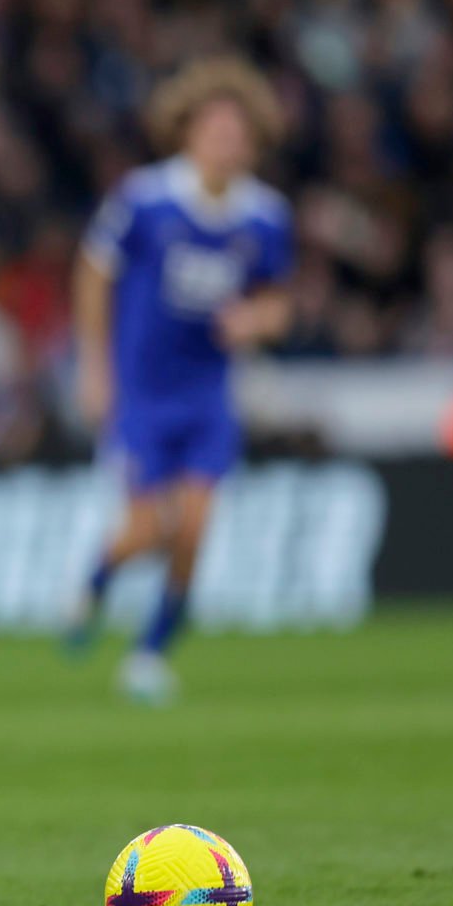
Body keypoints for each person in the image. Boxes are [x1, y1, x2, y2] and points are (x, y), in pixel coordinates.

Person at [66, 58, 293, 705]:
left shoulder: (265, 217)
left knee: (194, 527)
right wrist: (94, 365)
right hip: (141, 392)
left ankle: (148, 653)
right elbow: (92, 273)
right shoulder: (144, 200)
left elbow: (280, 303)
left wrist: (255, 319)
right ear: (188, 133)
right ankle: (97, 578)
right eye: (214, 129)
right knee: (150, 529)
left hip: (208, 396)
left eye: (237, 132)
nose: (225, 142)